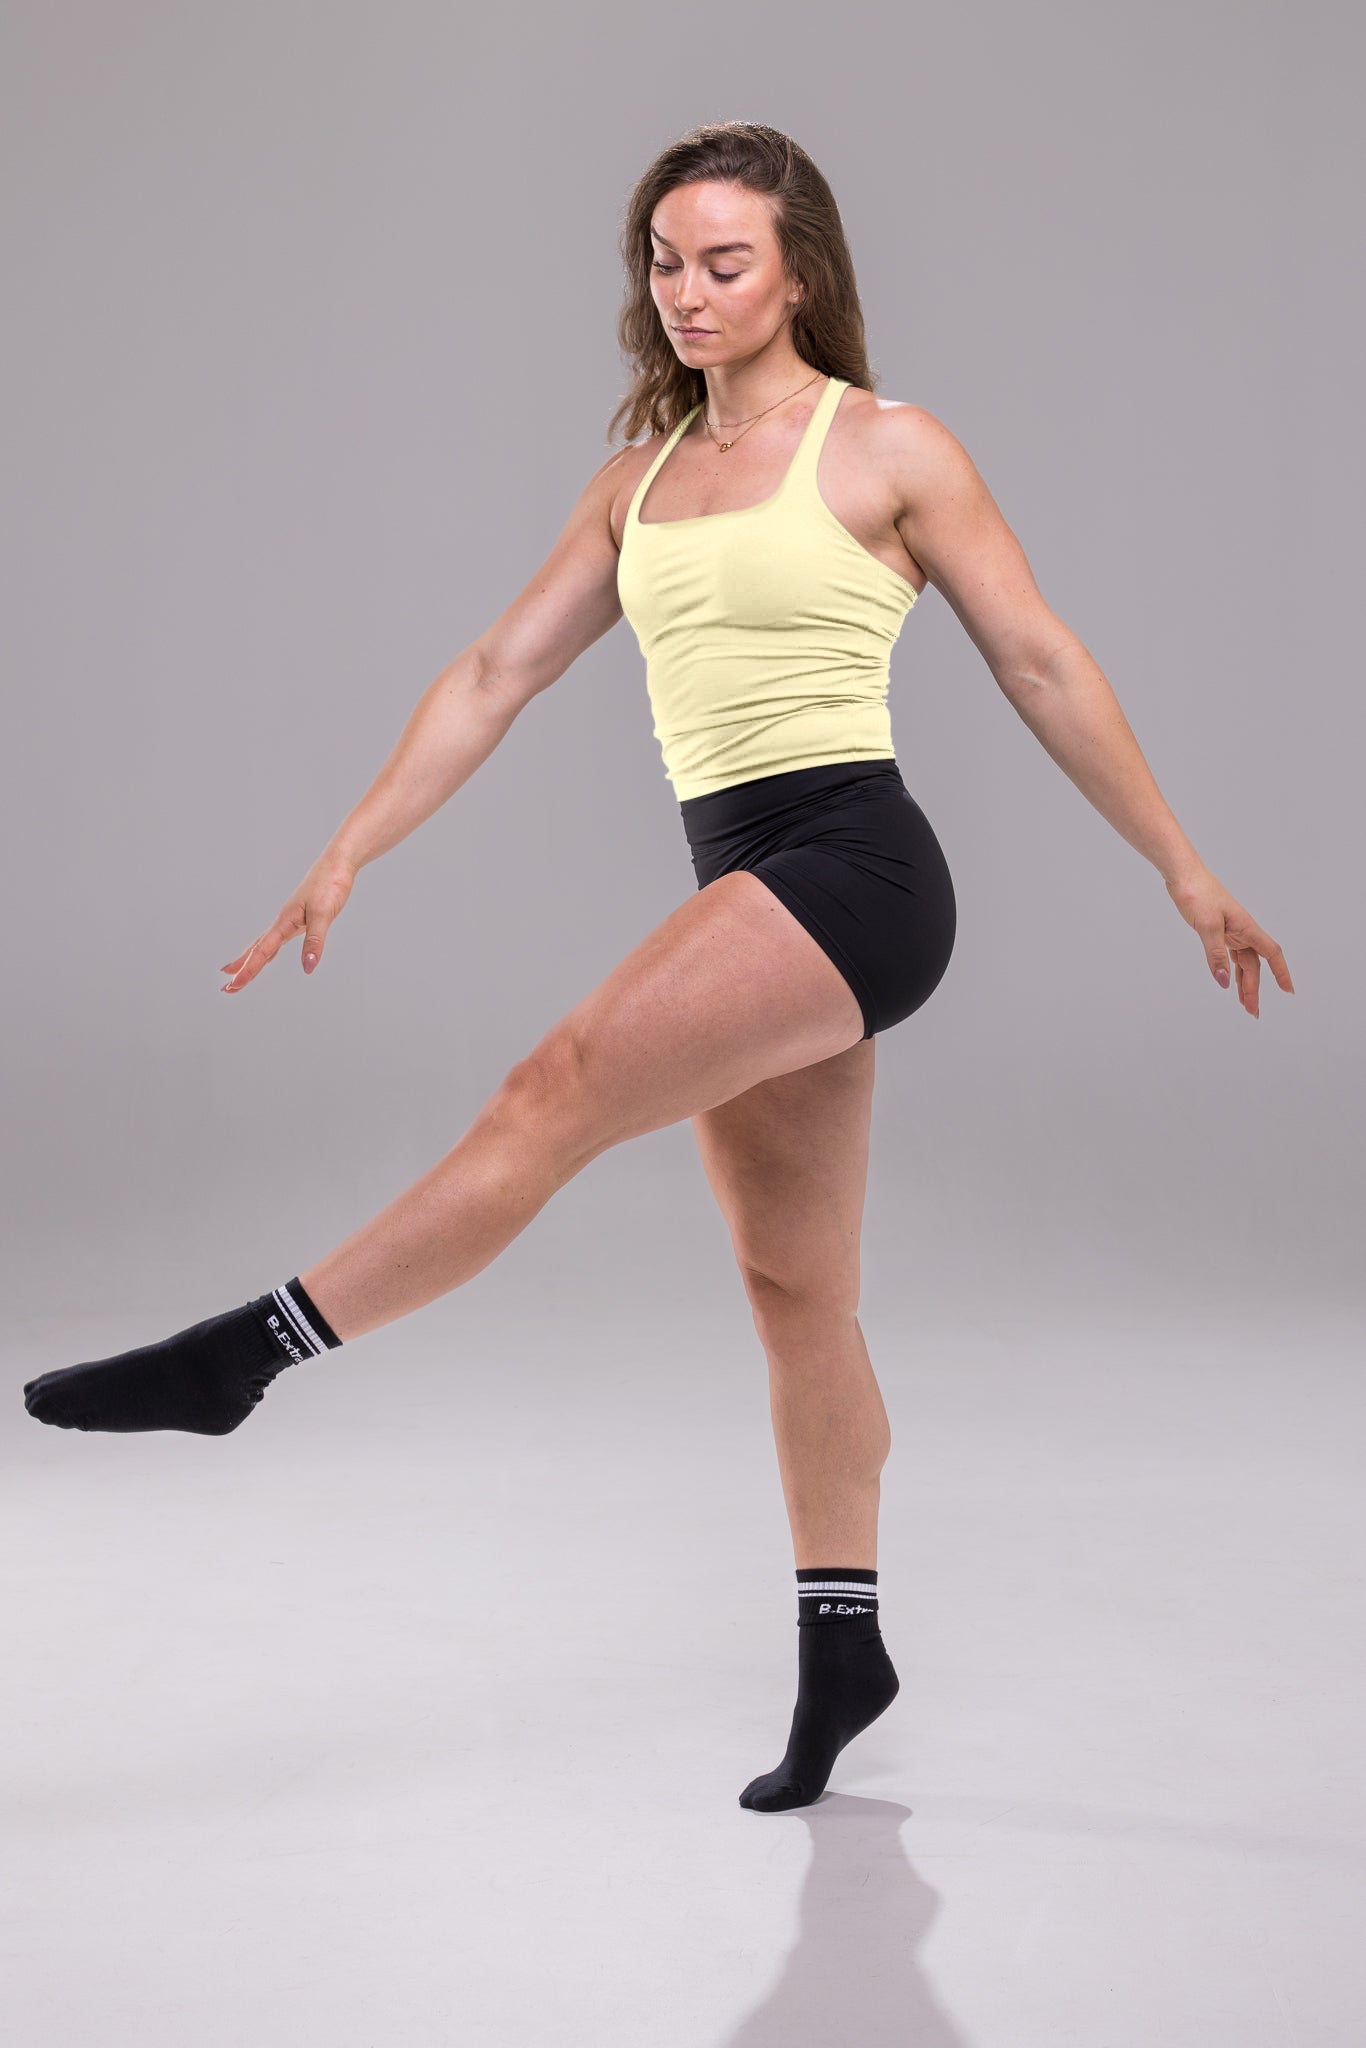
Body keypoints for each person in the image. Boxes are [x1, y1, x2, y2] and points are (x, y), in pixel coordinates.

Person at [23, 122, 1294, 1812]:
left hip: (853, 868)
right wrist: (351, 845)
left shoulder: (885, 447)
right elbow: (497, 671)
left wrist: (1182, 869)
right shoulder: (634, 484)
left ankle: (241, 1358)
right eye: (665, 262)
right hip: (746, 877)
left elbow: (1042, 663)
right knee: (795, 1295)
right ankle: (843, 1643)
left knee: (548, 1090)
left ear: (799, 274)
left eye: (725, 263)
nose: (688, 293)